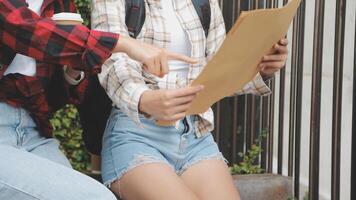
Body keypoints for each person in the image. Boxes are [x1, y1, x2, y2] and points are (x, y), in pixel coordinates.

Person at [0, 0, 198, 199]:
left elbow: (53, 96)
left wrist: (74, 69)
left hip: (33, 132)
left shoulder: (61, 5)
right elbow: (24, 30)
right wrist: (123, 43)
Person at [92, 0, 288, 199]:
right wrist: (145, 99)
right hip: (137, 133)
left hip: (195, 135)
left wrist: (260, 69)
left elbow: (218, 71)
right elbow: (111, 58)